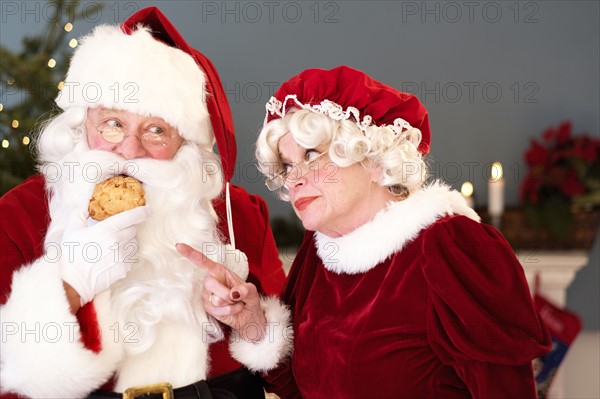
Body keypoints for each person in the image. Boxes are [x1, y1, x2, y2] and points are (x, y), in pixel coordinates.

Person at [179, 66, 552, 399]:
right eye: (287, 165)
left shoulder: (449, 246)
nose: (294, 178)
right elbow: (301, 388)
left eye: (311, 156)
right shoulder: (320, 252)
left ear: (372, 159)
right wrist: (253, 323)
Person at [0, 7, 287, 399]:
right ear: (81, 122)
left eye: (156, 130)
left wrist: (255, 326)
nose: (130, 151)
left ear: (186, 141)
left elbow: (296, 377)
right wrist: (69, 286)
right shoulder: (18, 214)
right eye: (113, 123)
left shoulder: (239, 216)